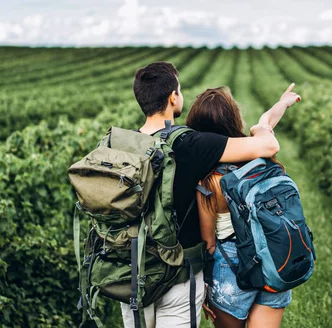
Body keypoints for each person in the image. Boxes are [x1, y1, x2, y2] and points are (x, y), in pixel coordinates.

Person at [120, 62, 286, 328]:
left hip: (130, 272)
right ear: (173, 97)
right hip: (178, 273)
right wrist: (263, 124)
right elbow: (268, 145)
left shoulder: (123, 145)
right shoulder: (191, 143)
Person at [186, 85, 301, 328]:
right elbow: (265, 122)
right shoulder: (257, 153)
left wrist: (205, 287)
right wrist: (283, 102)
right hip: (273, 254)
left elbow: (209, 242)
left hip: (230, 267)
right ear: (233, 118)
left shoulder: (208, 181)